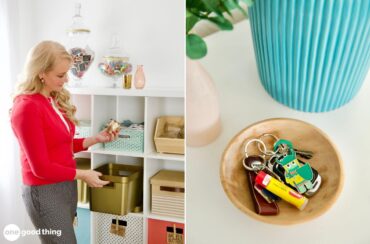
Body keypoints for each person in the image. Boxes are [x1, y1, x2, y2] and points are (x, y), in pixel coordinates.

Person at [10, 40, 118, 243]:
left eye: (66, 73)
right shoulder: (27, 108)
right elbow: (41, 167)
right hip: (44, 191)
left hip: (65, 185)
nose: (66, 79)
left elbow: (60, 145)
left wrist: (95, 139)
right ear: (41, 72)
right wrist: (83, 174)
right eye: (60, 75)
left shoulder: (52, 99)